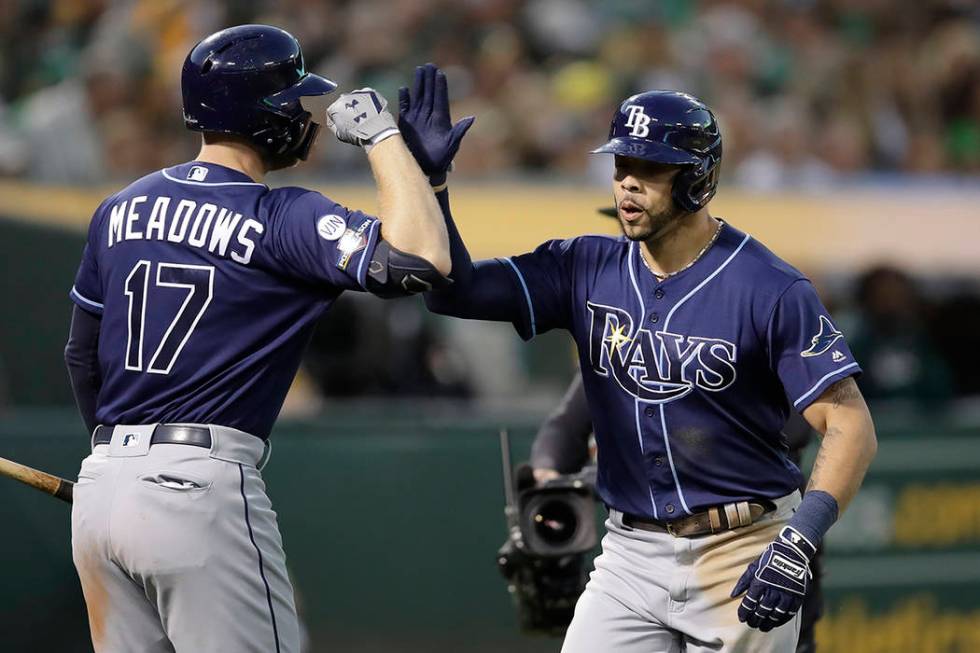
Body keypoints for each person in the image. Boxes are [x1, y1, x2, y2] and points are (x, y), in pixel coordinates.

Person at [412, 81, 878, 651]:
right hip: (629, 552)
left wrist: (800, 540)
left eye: (651, 167)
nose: (627, 180)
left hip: (742, 544)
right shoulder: (585, 264)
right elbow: (451, 292)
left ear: (698, 179)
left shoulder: (768, 286)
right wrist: (430, 186)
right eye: (621, 163)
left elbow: (850, 424)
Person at [62, 25, 457, 653]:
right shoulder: (278, 214)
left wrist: (116, 464)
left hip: (102, 486)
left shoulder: (119, 207)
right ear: (262, 114)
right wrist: (387, 142)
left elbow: (82, 357)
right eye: (294, 103)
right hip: (197, 488)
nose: (306, 117)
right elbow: (421, 260)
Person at [530, 370, 825, 653]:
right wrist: (549, 479)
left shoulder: (755, 329)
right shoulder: (633, 341)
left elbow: (795, 428)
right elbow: (563, 429)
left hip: (752, 538)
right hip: (645, 550)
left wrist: (618, 470)